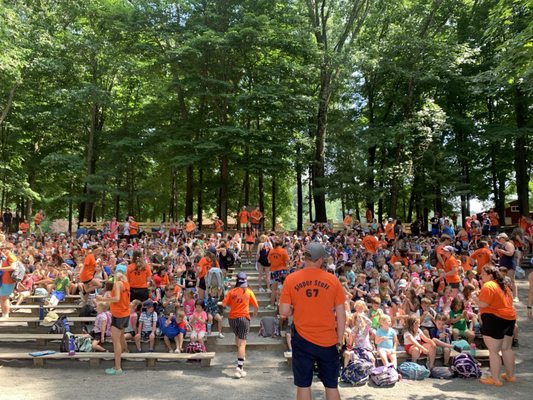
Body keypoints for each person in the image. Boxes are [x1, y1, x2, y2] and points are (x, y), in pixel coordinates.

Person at [279, 242, 346, 400]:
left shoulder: (291, 279)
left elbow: (283, 311)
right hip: (328, 340)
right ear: (321, 259)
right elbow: (342, 314)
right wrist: (340, 339)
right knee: (331, 385)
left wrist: (296, 308)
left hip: (302, 339)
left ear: (306, 257)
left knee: (303, 385)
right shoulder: (332, 280)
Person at [476, 264, 517, 387]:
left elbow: (483, 304)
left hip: (494, 318)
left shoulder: (488, 285)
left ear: (490, 275)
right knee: (507, 348)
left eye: (483, 273)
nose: (481, 275)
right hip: (509, 318)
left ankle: (495, 379)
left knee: (493, 351)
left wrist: (474, 299)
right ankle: (510, 376)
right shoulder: (504, 285)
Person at [222, 272, 258, 378]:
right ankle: (239, 367)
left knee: (237, 336)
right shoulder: (249, 292)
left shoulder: (231, 292)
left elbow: (224, 304)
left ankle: (240, 355)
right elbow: (256, 305)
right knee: (243, 343)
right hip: (244, 318)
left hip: (232, 319)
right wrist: (255, 312)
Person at [95, 268, 130, 375]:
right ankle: (126, 351)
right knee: (121, 336)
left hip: (118, 314)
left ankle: (117, 367)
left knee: (116, 342)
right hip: (125, 313)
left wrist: (102, 299)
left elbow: (117, 299)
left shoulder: (118, 283)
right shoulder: (126, 283)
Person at [266, 238, 289, 310]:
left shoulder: (271, 251)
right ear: (281, 244)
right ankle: (280, 307)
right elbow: (287, 262)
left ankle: (272, 305)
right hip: (282, 271)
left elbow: (269, 261)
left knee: (274, 290)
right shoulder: (283, 251)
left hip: (273, 271)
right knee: (282, 289)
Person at [495, 233, 518, 302]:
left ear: (504, 238)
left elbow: (510, 253)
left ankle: (515, 296)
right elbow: (501, 255)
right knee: (503, 280)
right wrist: (498, 251)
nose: (499, 240)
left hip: (509, 264)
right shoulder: (502, 245)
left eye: (500, 238)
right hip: (503, 264)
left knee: (511, 280)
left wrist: (501, 251)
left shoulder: (508, 244)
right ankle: (505, 295)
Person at [0, 241, 18, 318]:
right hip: (5, 280)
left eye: (5, 249)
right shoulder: (7, 257)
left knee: (4, 298)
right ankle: (4, 315)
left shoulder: (11, 256)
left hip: (8, 281)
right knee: (3, 298)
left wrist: (1, 268)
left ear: (9, 249)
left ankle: (5, 316)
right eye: (2, 249)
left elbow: (13, 267)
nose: (3, 251)